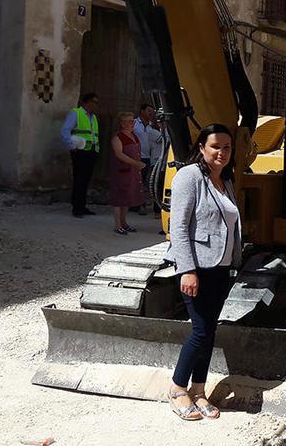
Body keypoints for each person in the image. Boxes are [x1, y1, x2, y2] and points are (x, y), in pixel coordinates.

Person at [164, 124, 241, 421]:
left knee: (209, 331)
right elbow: (179, 227)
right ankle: (176, 389)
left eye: (227, 147)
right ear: (201, 148)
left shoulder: (225, 180)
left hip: (220, 268)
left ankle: (199, 390)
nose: (221, 152)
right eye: (215, 146)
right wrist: (187, 270)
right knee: (200, 330)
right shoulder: (189, 177)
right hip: (197, 268)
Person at [61, 93, 100, 217]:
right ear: (86, 102)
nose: (96, 105)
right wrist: (71, 146)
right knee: (79, 179)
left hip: (91, 151)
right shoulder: (76, 113)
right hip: (80, 151)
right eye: (94, 102)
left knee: (86, 180)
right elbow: (65, 131)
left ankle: (82, 206)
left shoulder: (93, 117)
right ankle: (76, 207)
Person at [109, 112, 145, 235]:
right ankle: (118, 225)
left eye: (133, 121)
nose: (132, 123)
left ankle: (124, 223)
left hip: (132, 172)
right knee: (119, 198)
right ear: (122, 123)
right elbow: (119, 154)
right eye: (129, 121)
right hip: (121, 172)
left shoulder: (134, 136)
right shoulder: (117, 137)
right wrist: (136, 163)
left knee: (127, 198)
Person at [132, 103, 156, 215]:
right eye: (148, 111)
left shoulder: (151, 125)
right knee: (136, 181)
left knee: (143, 181)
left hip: (147, 157)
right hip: (136, 156)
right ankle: (136, 204)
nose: (150, 113)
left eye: (152, 111)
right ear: (142, 111)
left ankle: (138, 203)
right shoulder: (135, 124)